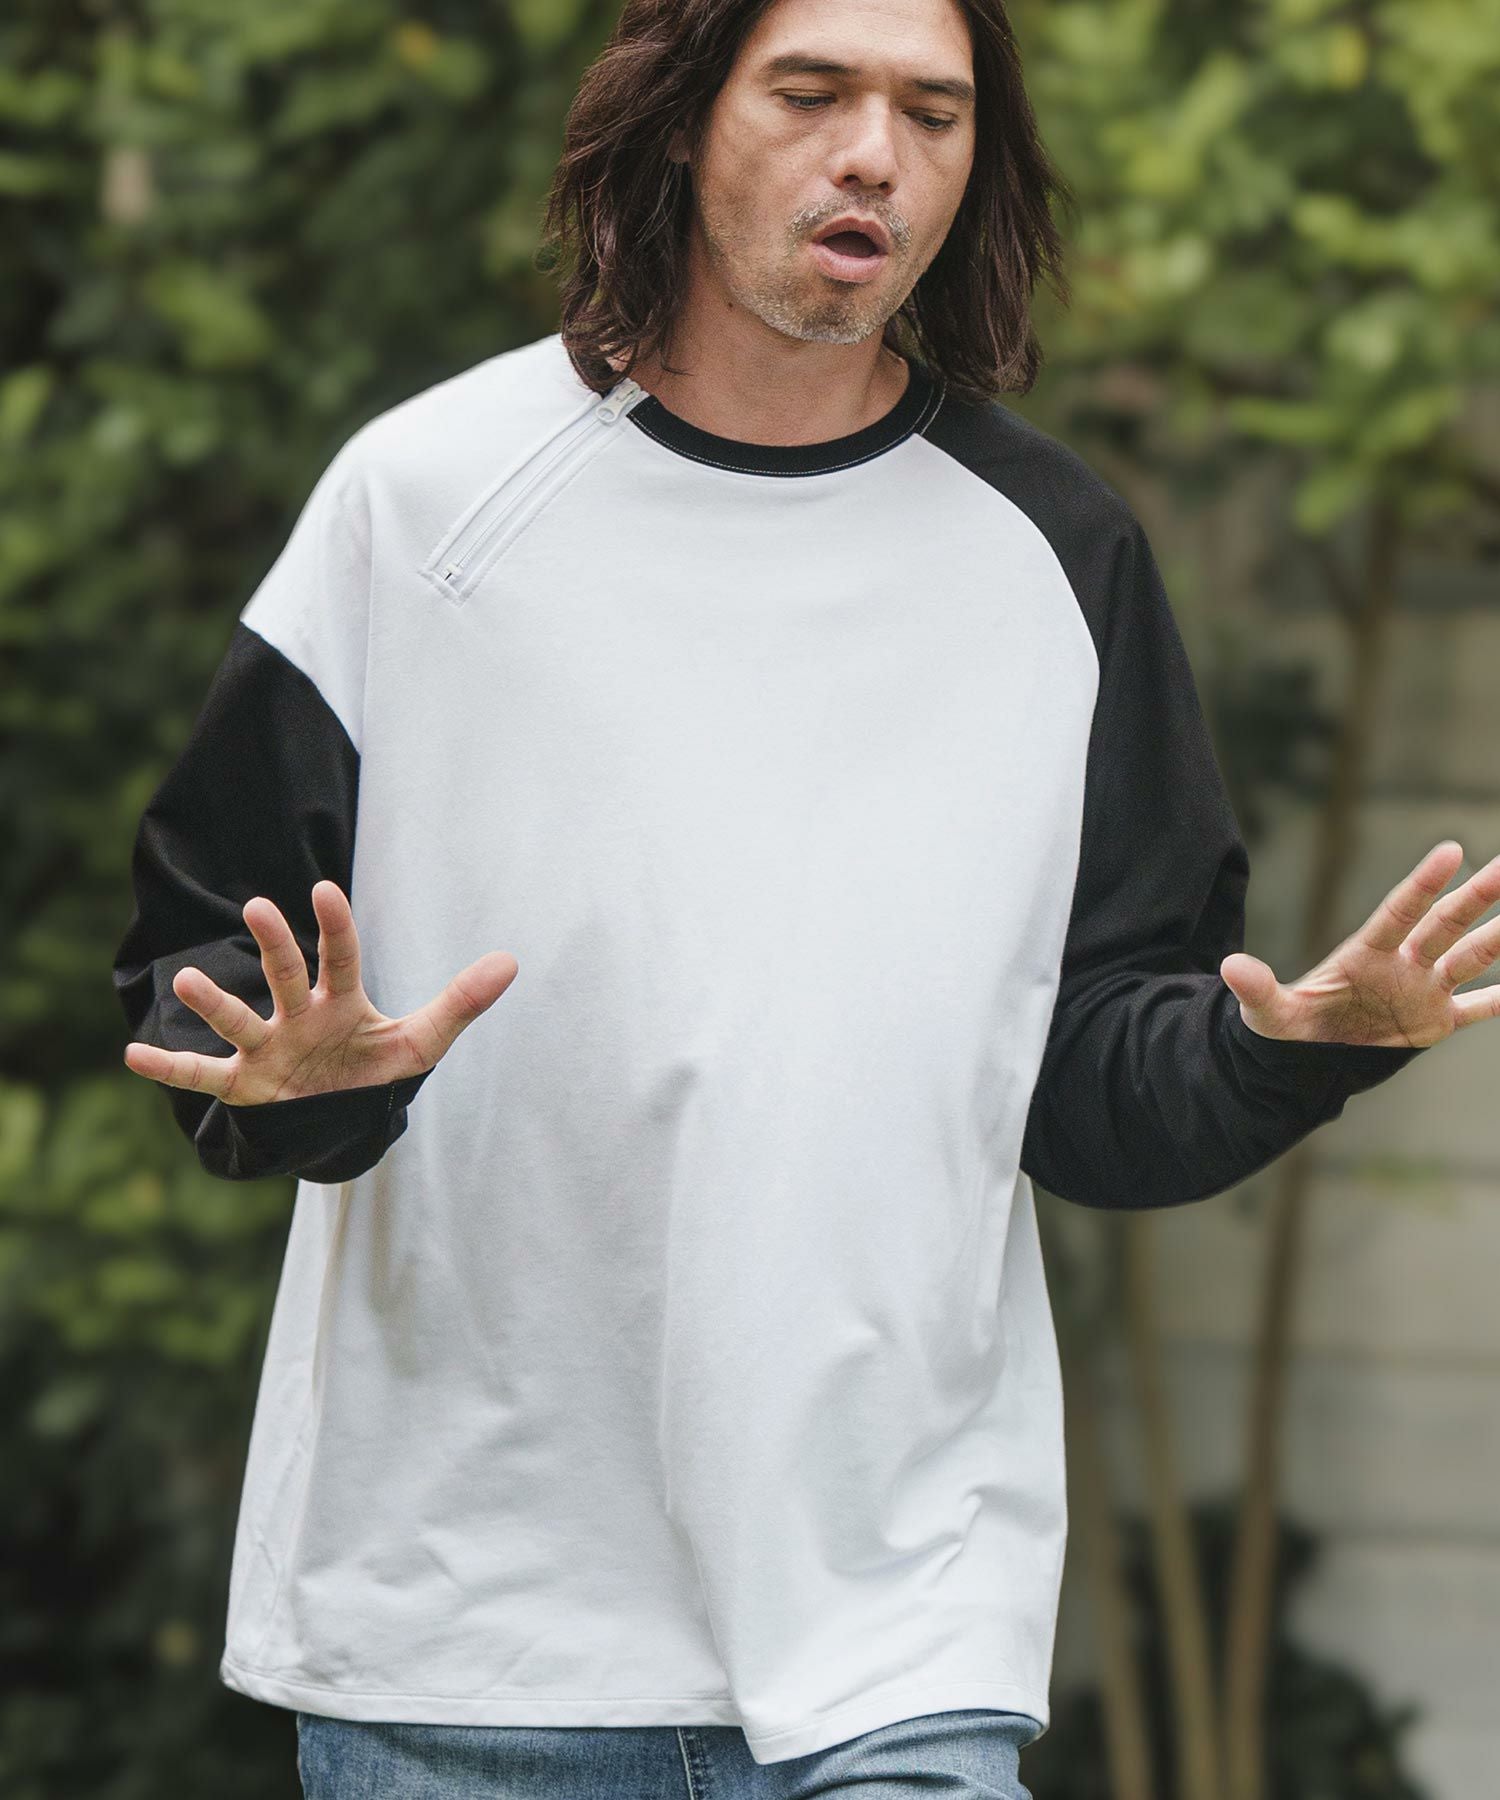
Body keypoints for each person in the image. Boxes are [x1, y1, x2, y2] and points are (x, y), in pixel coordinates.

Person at [112, 0, 1497, 1794]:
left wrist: (1285, 1055)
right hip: (466, 1628)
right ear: (686, 116)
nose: (875, 157)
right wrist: (294, 1084)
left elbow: (1084, 1077)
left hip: (901, 1615)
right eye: (813, 93)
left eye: (934, 111)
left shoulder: (1060, 559)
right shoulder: (425, 504)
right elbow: (202, 962)